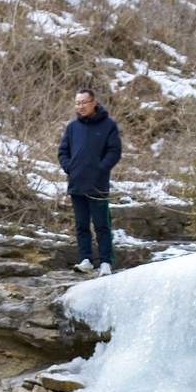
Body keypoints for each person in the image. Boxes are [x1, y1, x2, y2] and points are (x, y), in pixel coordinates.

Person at [57, 88, 122, 277]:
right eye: (77, 103)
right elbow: (63, 151)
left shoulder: (108, 125)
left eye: (84, 102)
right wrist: (70, 168)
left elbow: (114, 151)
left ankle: (106, 262)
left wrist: (101, 169)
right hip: (77, 183)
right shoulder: (72, 127)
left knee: (102, 225)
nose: (80, 106)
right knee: (81, 225)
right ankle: (85, 260)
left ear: (93, 103)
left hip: (98, 185)